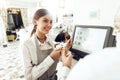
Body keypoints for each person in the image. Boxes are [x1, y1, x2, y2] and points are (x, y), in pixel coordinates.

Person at [21, 8, 73, 80]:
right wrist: (51, 58)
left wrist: (65, 49)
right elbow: (29, 77)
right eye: (45, 21)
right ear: (35, 22)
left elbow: (58, 58)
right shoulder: (27, 45)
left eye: (51, 22)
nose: (49, 25)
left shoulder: (51, 41)